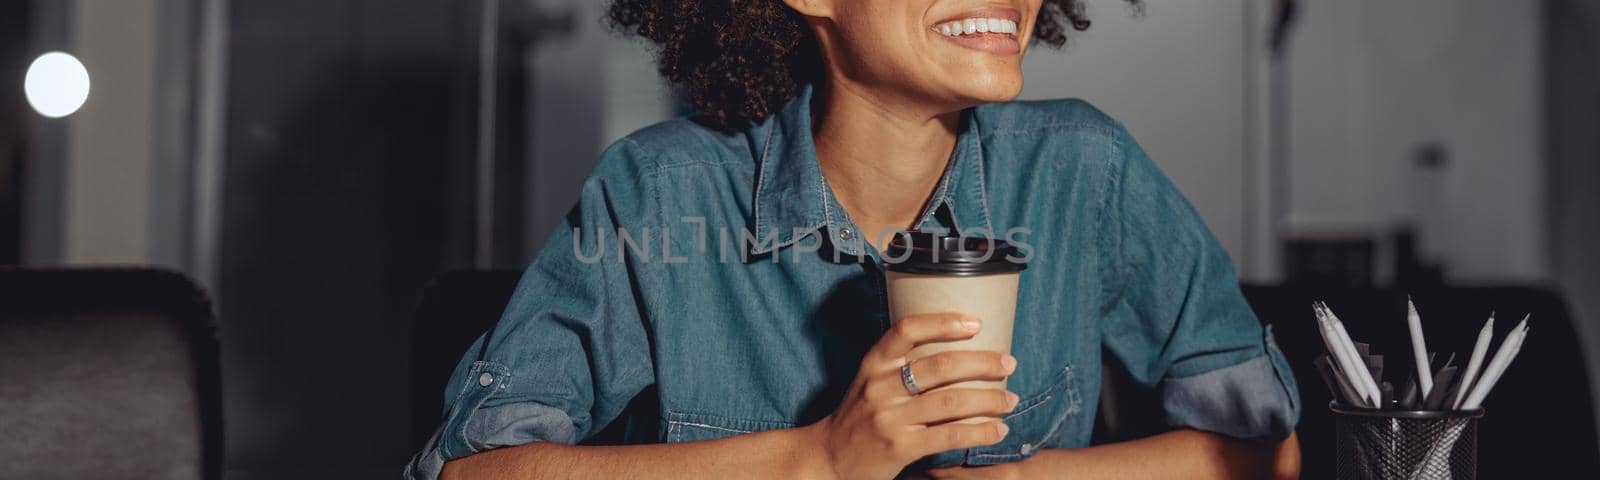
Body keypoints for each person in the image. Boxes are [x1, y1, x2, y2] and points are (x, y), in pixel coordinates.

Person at [407, 0, 1302, 478]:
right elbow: (473, 477)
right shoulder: (662, 192)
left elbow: (1264, 450)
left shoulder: (1085, 171)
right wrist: (821, 461)